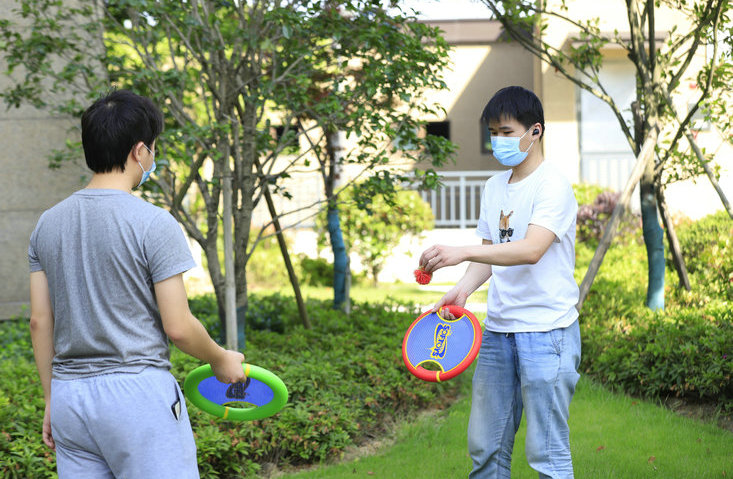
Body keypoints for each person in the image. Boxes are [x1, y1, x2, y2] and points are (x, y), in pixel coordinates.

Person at [28, 89, 246, 479]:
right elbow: (177, 326)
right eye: (153, 149)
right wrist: (219, 358)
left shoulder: (48, 223)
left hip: (69, 399)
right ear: (140, 151)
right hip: (136, 396)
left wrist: (50, 399)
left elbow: (40, 323)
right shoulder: (154, 223)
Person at [419, 85, 581, 479]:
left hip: (547, 333)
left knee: (547, 453)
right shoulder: (494, 187)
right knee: (485, 448)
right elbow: (493, 253)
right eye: (493, 132)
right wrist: (462, 289)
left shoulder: (553, 185)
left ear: (535, 132)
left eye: (507, 132)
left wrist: (463, 251)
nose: (498, 141)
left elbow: (530, 250)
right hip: (498, 332)